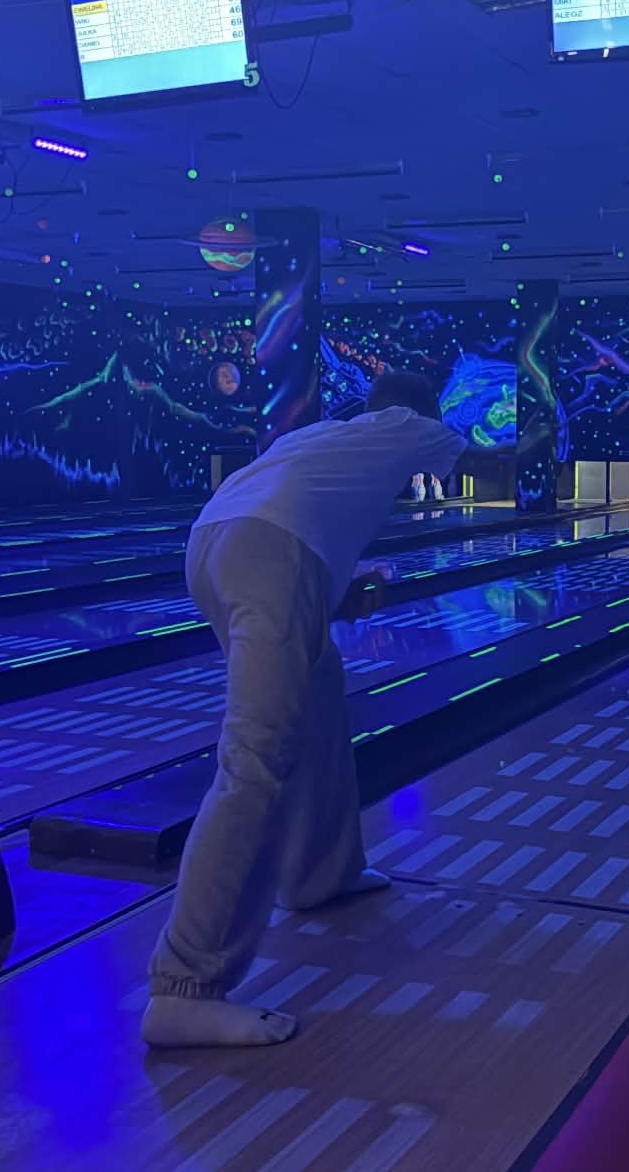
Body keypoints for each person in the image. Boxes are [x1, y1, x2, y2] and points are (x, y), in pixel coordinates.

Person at [143, 370, 465, 1050]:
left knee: (318, 685)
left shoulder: (323, 440)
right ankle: (184, 988)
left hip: (214, 541)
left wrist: (336, 596)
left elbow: (293, 553)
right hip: (270, 553)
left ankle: (322, 873)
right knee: (256, 760)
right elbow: (496, 447)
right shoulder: (407, 424)